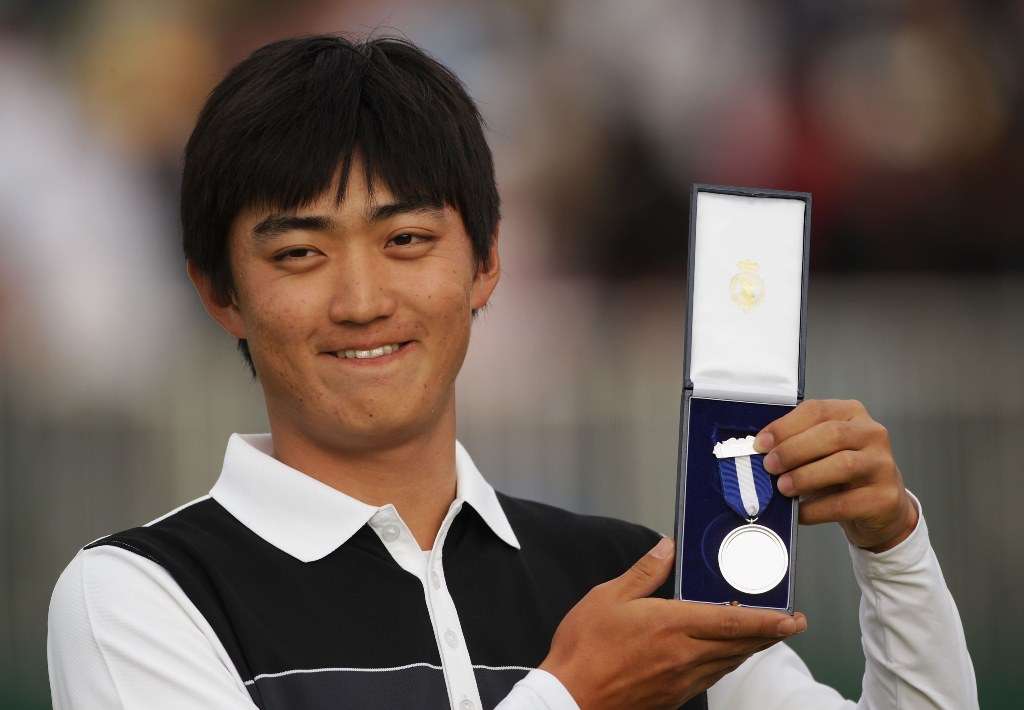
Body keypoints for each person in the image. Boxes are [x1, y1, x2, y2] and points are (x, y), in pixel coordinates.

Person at [46, 35, 977, 710]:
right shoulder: (139, 592)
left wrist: (891, 547)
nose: (362, 298)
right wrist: (573, 698)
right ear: (219, 292)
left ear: (487, 262)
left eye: (408, 239)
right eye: (299, 254)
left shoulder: (630, 578)